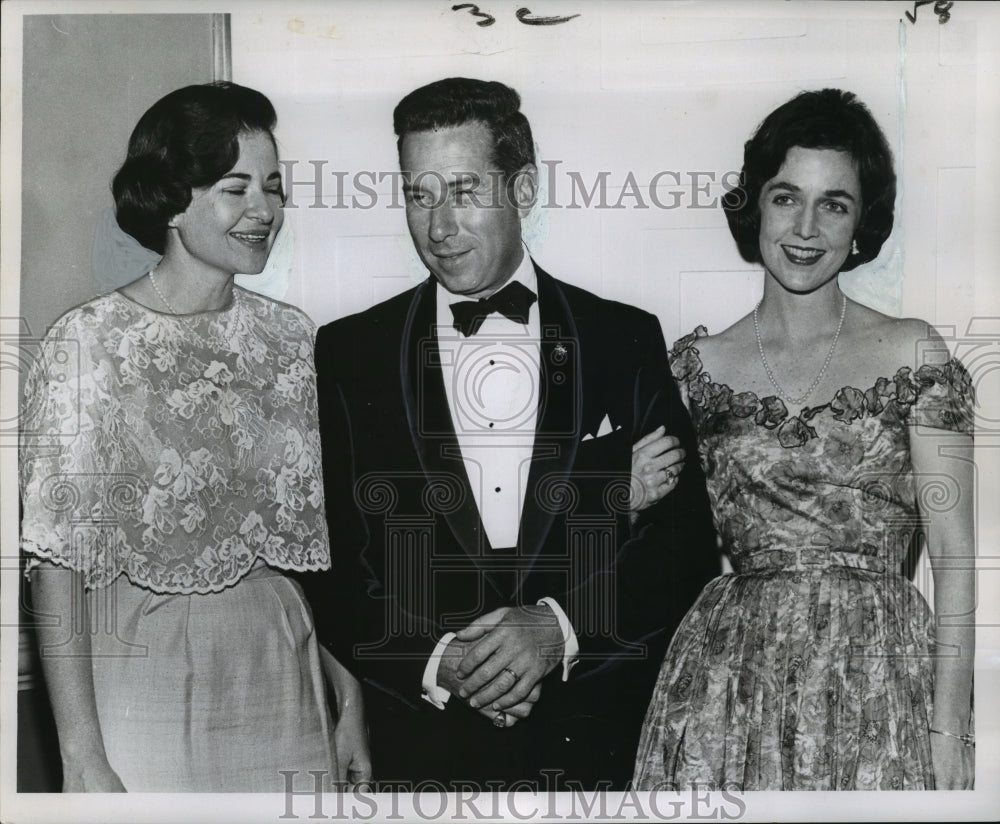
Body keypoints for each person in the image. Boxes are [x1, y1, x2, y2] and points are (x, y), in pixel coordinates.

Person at [300, 77, 719, 790]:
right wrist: (439, 662)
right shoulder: (349, 353)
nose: (437, 226)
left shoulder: (623, 337)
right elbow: (333, 566)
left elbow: (684, 551)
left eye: (463, 191)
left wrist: (559, 627)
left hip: (591, 743)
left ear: (523, 189)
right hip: (420, 751)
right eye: (419, 193)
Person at [19, 82, 370, 792]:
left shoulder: (292, 340)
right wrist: (82, 754)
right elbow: (55, 564)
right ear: (173, 199)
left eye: (273, 187)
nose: (264, 211)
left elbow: (314, 560)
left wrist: (351, 697)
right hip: (141, 669)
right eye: (235, 188)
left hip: (283, 666)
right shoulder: (90, 343)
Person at [632, 88, 975, 790]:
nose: (807, 227)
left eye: (835, 204)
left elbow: (958, 559)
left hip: (880, 680)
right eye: (787, 197)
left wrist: (950, 728)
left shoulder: (915, 354)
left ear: (861, 225)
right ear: (755, 203)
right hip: (728, 683)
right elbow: (655, 552)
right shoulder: (692, 369)